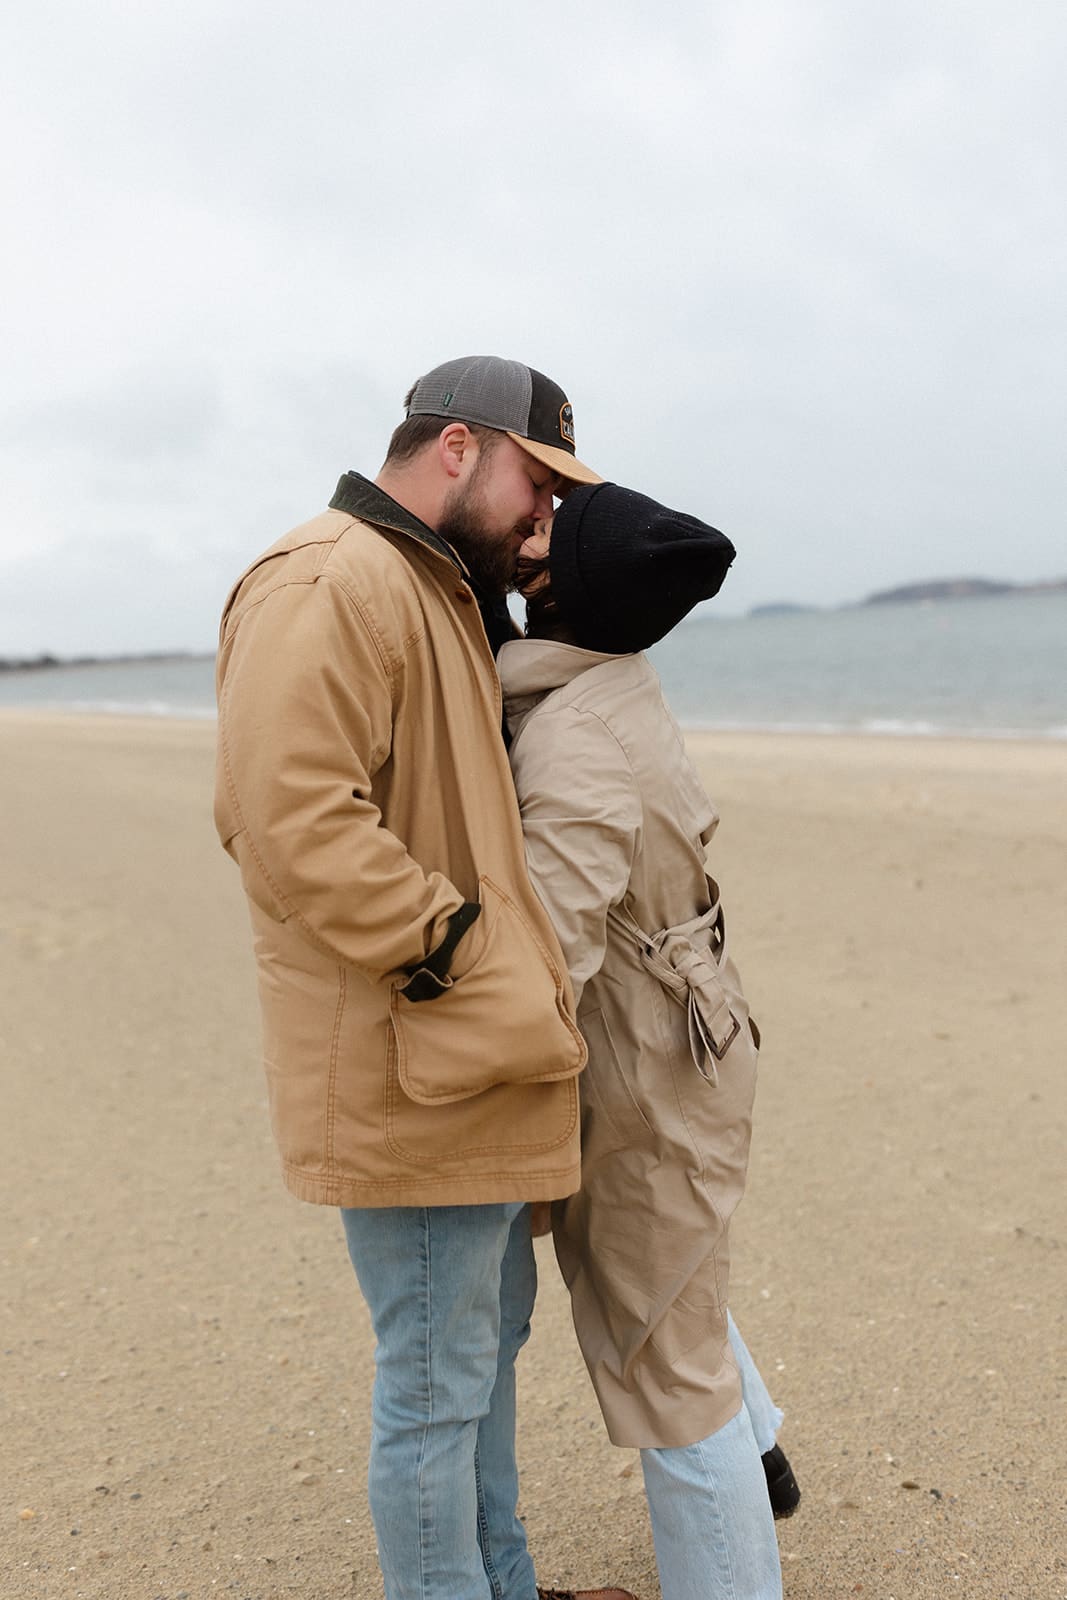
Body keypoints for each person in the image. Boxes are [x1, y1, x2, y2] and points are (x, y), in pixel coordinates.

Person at [214, 357, 638, 1600]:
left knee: (477, 1365)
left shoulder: (431, 585)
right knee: (434, 1384)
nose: (544, 517)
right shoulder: (331, 577)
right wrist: (456, 948)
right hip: (418, 1056)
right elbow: (283, 815)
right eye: (537, 482)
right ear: (457, 446)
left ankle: (504, 1583)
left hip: (466, 1055)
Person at [500, 483, 791, 1600]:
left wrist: (499, 1129)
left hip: (647, 1071)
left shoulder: (572, 739)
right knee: (674, 1286)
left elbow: (550, 961)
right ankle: (759, 1439)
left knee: (672, 1379)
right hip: (689, 1039)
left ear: (558, 586)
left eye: (538, 534)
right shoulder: (606, 676)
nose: (519, 534)